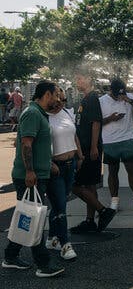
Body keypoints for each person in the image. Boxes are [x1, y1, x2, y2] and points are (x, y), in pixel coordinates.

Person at [2, 80, 65, 278]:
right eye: (55, 94)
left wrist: (48, 163)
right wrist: (30, 171)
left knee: (27, 216)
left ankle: (10, 257)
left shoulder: (39, 114)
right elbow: (26, 145)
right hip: (30, 177)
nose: (58, 98)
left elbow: (38, 145)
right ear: (47, 94)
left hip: (38, 174)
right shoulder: (32, 113)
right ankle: (43, 263)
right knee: (34, 218)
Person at [70, 68, 116, 233]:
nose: (78, 82)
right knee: (89, 185)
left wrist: (94, 146)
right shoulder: (85, 99)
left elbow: (96, 122)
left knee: (75, 185)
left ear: (89, 79)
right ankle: (90, 220)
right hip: (85, 148)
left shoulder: (92, 98)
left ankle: (103, 211)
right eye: (77, 79)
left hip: (90, 149)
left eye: (80, 78)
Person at [100, 78, 133, 212]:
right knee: (113, 171)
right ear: (110, 90)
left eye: (122, 94)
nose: (120, 97)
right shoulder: (102, 101)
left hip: (127, 138)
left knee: (132, 170)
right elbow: (97, 122)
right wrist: (111, 118)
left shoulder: (129, 98)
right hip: (110, 141)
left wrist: (131, 101)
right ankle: (114, 201)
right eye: (117, 95)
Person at [46, 88, 81, 260]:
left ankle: (52, 238)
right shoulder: (43, 117)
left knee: (60, 204)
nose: (60, 100)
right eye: (56, 97)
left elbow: (74, 136)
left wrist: (79, 156)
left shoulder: (67, 112)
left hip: (70, 164)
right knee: (59, 204)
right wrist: (49, 162)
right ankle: (65, 244)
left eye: (62, 97)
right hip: (55, 168)